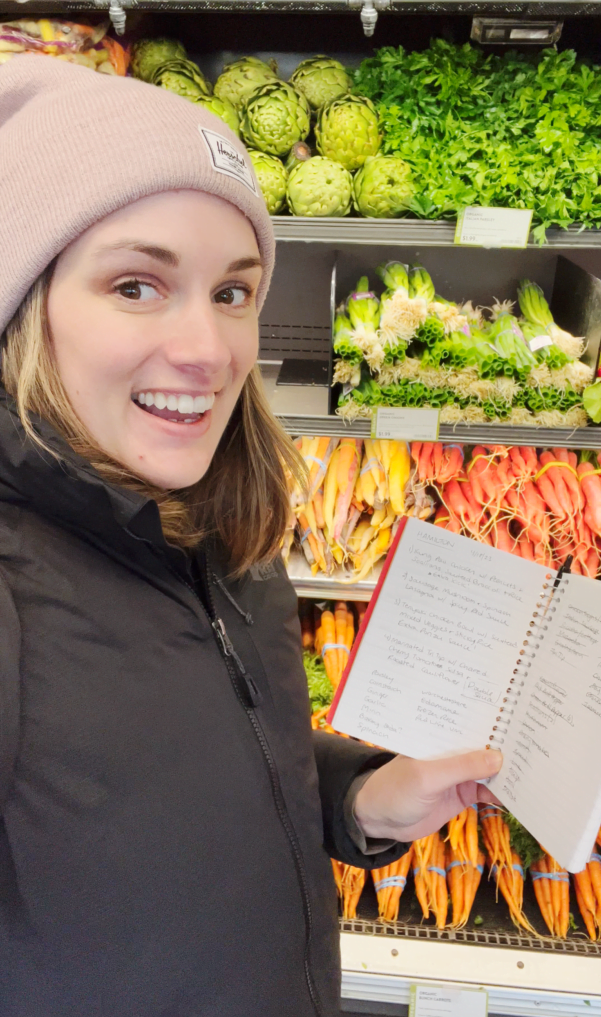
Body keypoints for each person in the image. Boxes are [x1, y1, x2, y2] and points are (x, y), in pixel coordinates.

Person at [0, 55, 501, 1017]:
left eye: (232, 291)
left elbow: (196, 759)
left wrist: (357, 798)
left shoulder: (223, 523)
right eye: (137, 285)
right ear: (26, 304)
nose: (206, 349)